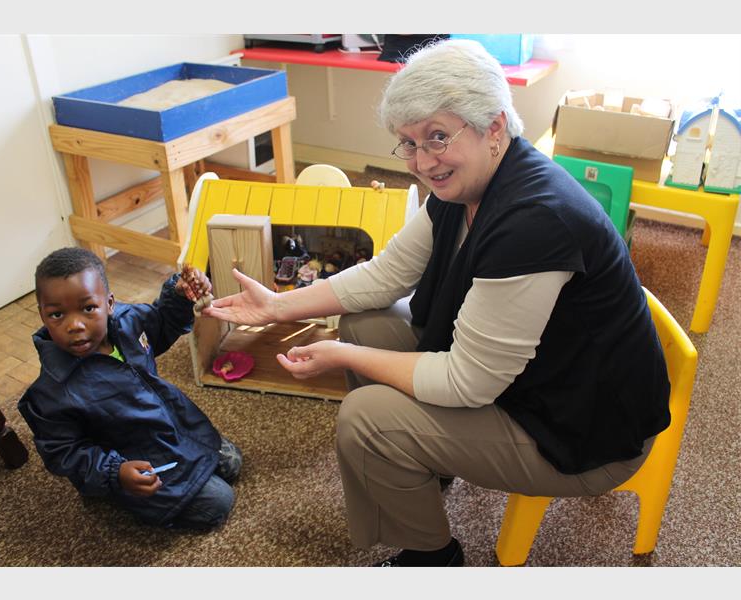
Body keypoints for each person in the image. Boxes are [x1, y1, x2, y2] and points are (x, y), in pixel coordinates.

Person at [204, 38, 671, 566]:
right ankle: (422, 463)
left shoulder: (534, 220)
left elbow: (469, 381)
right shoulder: (468, 185)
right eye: (409, 142)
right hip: (541, 375)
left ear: (494, 126)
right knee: (364, 323)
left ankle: (432, 556)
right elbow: (385, 275)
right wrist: (277, 306)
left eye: (438, 137)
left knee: (366, 418)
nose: (423, 161)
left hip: (583, 430)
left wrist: (343, 356)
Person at [18, 247, 242, 531]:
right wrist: (116, 472)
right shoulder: (52, 391)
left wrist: (179, 294)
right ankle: (116, 496)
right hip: (132, 456)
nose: (74, 325)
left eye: (88, 308)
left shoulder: (127, 321)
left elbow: (161, 323)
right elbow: (63, 452)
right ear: (42, 315)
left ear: (109, 303)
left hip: (169, 424)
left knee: (232, 463)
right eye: (57, 314)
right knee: (219, 502)